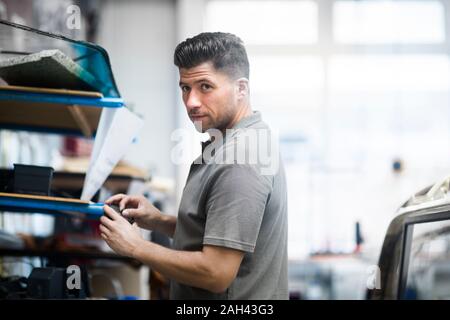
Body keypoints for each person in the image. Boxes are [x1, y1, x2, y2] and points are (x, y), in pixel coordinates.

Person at [100, 32, 288, 299]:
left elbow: (216, 273)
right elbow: (218, 232)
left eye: (205, 87)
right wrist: (158, 221)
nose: (191, 102)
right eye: (185, 88)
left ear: (241, 89)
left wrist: (136, 248)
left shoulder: (240, 158)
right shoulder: (232, 141)